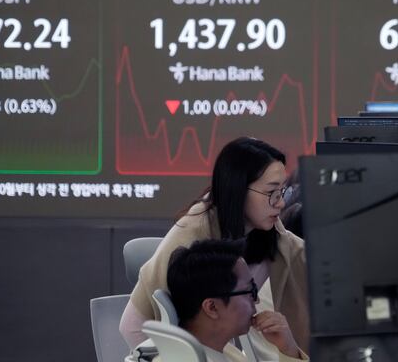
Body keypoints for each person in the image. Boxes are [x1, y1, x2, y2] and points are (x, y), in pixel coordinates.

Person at [120, 137, 309, 353]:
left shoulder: (273, 236)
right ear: (238, 190)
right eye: (271, 193)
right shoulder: (192, 232)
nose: (281, 203)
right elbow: (132, 327)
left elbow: (307, 258)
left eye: (282, 192)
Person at [165, 239, 308, 362]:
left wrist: (288, 349)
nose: (256, 300)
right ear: (212, 307)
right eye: (250, 291)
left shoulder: (223, 350)